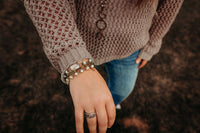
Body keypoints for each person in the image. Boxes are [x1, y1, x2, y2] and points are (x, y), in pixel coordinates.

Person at [22, 0, 184, 132]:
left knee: (123, 88)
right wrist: (74, 62)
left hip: (131, 48)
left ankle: (110, 104)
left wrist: (152, 43)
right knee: (84, 90)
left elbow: (170, 5)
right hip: (80, 44)